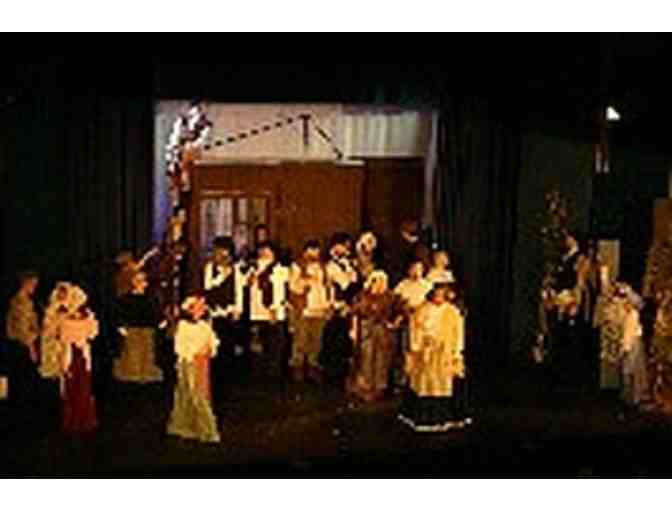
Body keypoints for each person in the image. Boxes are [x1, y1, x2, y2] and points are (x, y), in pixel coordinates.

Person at [399, 283, 471, 433]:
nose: (439, 297)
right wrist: (418, 346)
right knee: (425, 385)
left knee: (445, 385)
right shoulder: (422, 310)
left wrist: (457, 352)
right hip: (426, 354)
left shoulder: (452, 312)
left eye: (442, 294)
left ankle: (445, 417)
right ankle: (425, 417)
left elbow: (458, 333)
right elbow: (415, 330)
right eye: (437, 294)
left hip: (445, 354)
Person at [167, 295, 221, 443]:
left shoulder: (204, 326)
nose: (202, 308)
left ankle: (197, 428)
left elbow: (213, 341)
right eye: (199, 306)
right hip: (189, 363)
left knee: (199, 394)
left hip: (202, 363)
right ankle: (202, 429)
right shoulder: (184, 326)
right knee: (191, 395)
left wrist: (209, 350)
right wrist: (194, 353)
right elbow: (180, 347)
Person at [348, 271, 404, 403]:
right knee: (365, 357)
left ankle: (379, 386)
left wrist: (394, 324)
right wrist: (353, 329)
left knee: (382, 359)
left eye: (382, 281)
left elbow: (401, 312)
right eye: (377, 281)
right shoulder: (362, 296)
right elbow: (355, 314)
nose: (380, 284)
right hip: (366, 330)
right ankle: (365, 386)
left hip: (383, 331)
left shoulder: (391, 297)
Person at [237, 241, 289, 380]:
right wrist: (250, 274)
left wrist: (274, 309)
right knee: (257, 344)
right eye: (261, 250)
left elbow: (280, 291)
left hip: (274, 313)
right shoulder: (253, 268)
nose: (264, 253)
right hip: (257, 312)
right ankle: (257, 373)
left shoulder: (280, 269)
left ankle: (274, 374)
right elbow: (243, 284)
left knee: (275, 345)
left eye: (267, 250)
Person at [59, 285, 100, 434]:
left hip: (81, 355)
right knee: (72, 388)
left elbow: (92, 333)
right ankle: (72, 420)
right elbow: (62, 337)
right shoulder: (63, 317)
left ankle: (83, 419)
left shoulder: (87, 316)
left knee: (83, 388)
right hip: (71, 355)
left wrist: (82, 339)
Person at [288, 240, 330, 383]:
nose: (314, 254)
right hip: (304, 308)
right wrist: (304, 282)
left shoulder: (323, 267)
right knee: (301, 339)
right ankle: (298, 366)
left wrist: (328, 304)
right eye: (311, 250)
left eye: (316, 250)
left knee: (316, 341)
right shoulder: (297, 266)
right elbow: (293, 288)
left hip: (319, 308)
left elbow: (327, 287)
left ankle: (313, 365)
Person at [320, 233, 359, 388]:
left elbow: (354, 282)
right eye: (343, 245)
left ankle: (341, 375)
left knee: (344, 343)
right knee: (334, 342)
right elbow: (342, 285)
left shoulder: (348, 264)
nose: (346, 249)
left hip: (347, 306)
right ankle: (331, 376)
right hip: (335, 307)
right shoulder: (331, 266)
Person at [203, 236, 243, 385]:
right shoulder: (209, 268)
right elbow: (208, 288)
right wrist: (221, 276)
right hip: (214, 312)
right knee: (215, 347)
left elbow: (238, 290)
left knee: (228, 347)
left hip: (229, 312)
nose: (220, 254)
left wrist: (237, 309)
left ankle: (229, 379)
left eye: (224, 251)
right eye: (217, 251)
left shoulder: (236, 269)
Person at [113, 271, 165, 384]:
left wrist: (161, 321)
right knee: (133, 355)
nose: (142, 283)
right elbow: (119, 313)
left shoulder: (151, 298)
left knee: (147, 354)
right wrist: (121, 326)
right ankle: (132, 376)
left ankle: (146, 375)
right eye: (138, 280)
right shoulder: (126, 298)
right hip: (132, 330)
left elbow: (156, 311)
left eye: (143, 280)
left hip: (148, 330)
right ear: (133, 282)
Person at [392, 260, 433, 392]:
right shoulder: (402, 285)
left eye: (419, 269)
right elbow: (395, 302)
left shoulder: (427, 286)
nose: (416, 272)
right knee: (404, 351)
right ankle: (402, 381)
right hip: (406, 322)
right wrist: (404, 308)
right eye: (413, 269)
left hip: (422, 324)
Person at [5, 271, 41, 409]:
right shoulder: (22, 302)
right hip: (22, 346)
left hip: (19, 344)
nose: (34, 288)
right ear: (26, 283)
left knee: (20, 380)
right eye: (33, 284)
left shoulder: (21, 300)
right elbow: (23, 328)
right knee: (23, 380)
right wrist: (31, 348)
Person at [621, 287, 649, 412]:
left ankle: (634, 397)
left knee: (632, 371)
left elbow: (630, 333)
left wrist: (626, 348)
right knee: (630, 371)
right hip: (631, 345)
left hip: (633, 345)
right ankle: (631, 397)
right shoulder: (628, 315)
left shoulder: (633, 315)